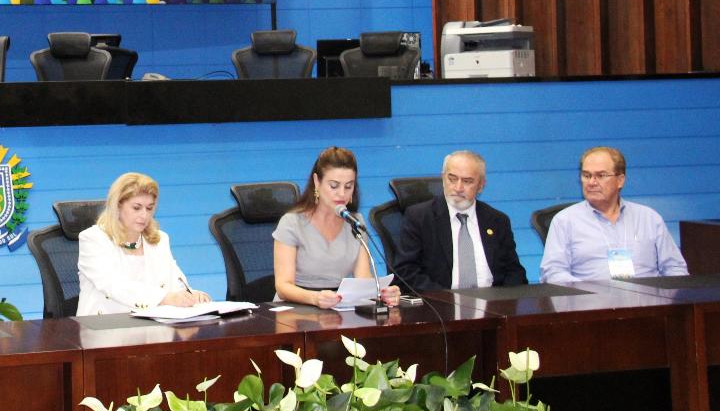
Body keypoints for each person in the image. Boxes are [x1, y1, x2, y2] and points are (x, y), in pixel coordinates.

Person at [273, 146, 400, 309]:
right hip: (296, 310)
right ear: (316, 182)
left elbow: (363, 279)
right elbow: (283, 286)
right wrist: (316, 298)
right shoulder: (291, 223)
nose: (342, 194)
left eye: (348, 186)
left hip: (339, 307)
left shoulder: (355, 222)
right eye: (334, 186)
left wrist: (381, 293)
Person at [540, 146, 687, 283]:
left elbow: (675, 268)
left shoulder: (649, 218)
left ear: (620, 180)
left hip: (648, 306)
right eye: (586, 175)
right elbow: (553, 273)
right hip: (592, 306)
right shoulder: (564, 221)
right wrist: (590, 295)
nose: (591, 182)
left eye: (601, 175)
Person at [77, 172, 211, 315]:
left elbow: (175, 280)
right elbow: (113, 285)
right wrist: (165, 298)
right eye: (136, 208)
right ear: (117, 206)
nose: (144, 215)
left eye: (149, 208)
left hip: (151, 327)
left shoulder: (159, 239)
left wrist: (191, 295)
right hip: (103, 328)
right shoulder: (93, 239)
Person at [395, 150, 528, 291]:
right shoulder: (419, 217)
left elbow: (514, 272)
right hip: (441, 304)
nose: (458, 188)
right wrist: (446, 299)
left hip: (492, 304)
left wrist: (503, 303)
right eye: (452, 179)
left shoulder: (497, 221)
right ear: (443, 178)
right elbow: (405, 271)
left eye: (467, 181)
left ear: (481, 185)